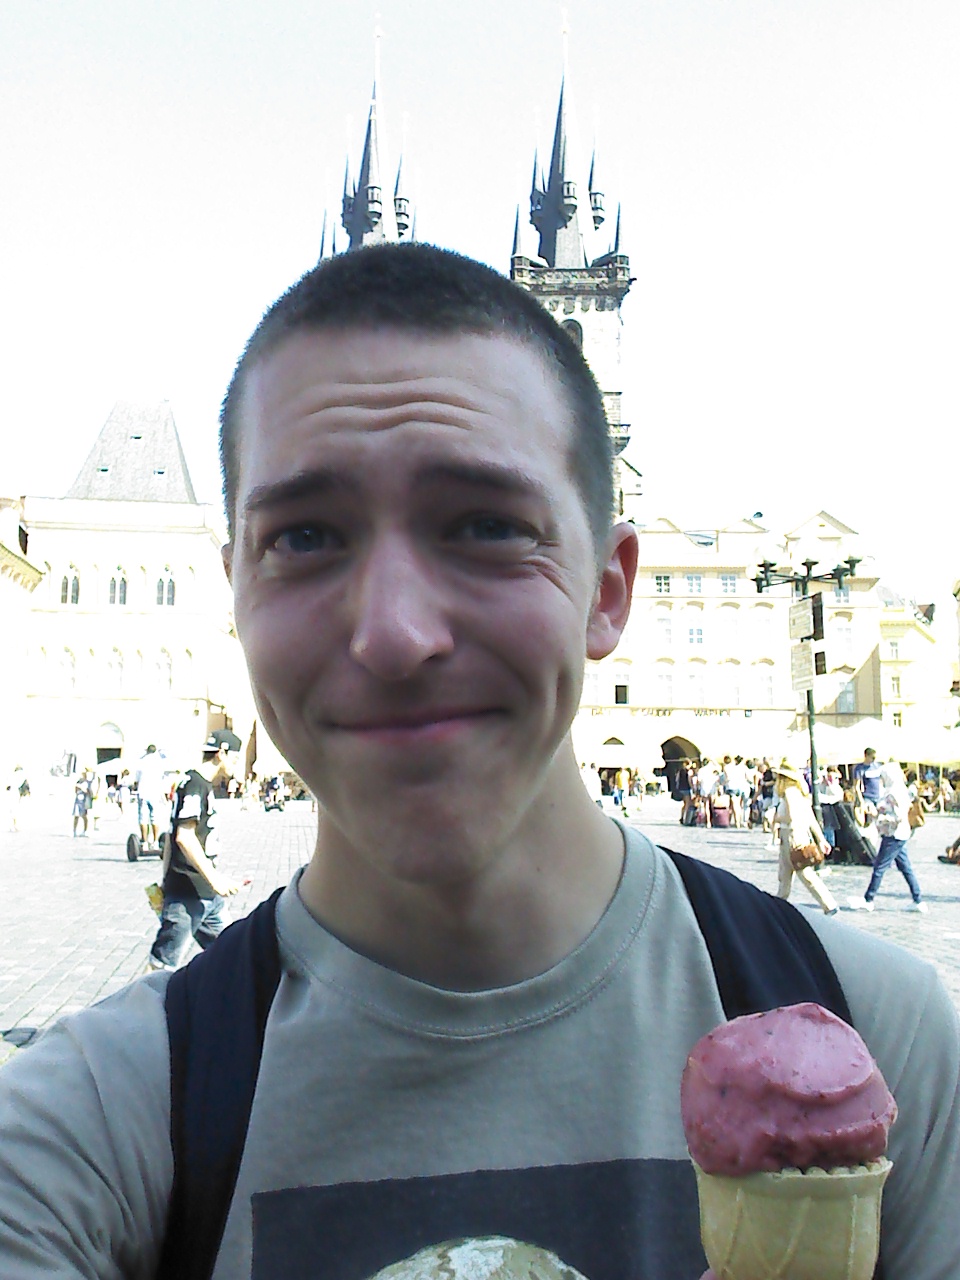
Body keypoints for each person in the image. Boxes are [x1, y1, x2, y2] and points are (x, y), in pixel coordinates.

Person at [0, 245, 958, 1279]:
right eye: (309, 534)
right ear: (234, 590)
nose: (396, 633)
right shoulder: (88, 1133)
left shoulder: (893, 1041)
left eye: (488, 526)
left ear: (607, 588)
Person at [147, 736, 242, 972]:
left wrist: (164, 880)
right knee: (161, 966)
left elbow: (170, 838)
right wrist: (215, 879)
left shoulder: (190, 781)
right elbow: (183, 836)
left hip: (204, 894)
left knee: (235, 955)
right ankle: (138, 1008)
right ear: (222, 753)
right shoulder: (196, 785)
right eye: (236, 758)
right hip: (189, 893)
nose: (236, 765)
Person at [849, 761, 928, 913]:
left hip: (893, 834)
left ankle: (869, 899)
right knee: (905, 867)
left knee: (879, 867)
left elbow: (897, 817)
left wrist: (878, 817)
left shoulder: (892, 792)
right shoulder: (901, 790)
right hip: (901, 834)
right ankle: (918, 900)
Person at [772, 760, 838, 915]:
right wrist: (820, 839)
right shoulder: (799, 793)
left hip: (792, 835)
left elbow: (792, 817)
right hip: (797, 834)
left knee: (803, 872)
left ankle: (829, 905)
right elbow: (810, 818)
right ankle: (779, 903)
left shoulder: (789, 792)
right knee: (785, 873)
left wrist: (777, 819)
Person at [135, 743, 170, 851]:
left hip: (143, 792)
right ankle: (155, 842)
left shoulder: (141, 761)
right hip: (155, 792)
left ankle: (144, 842)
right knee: (155, 818)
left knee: (143, 818)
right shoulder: (160, 762)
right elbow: (164, 778)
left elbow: (136, 779)